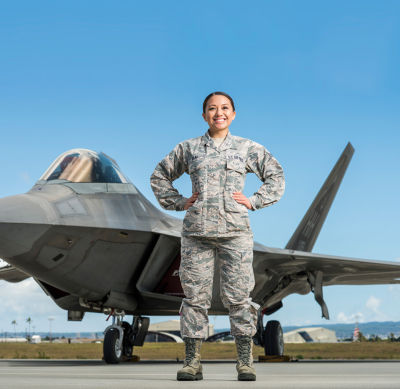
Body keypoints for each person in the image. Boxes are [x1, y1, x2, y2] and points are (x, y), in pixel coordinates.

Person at [150, 91, 285, 381]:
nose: (218, 113)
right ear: (204, 116)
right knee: (194, 298)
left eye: (224, 108)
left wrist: (254, 201)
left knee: (238, 297)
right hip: (197, 232)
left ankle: (245, 362)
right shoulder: (189, 149)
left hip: (235, 232)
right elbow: (159, 176)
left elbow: (276, 176)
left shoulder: (247, 148)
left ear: (233, 114)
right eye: (212, 109)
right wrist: (179, 201)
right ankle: (192, 362)